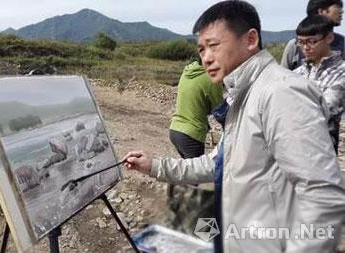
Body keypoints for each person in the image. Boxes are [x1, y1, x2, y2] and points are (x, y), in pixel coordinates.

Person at [123, 1, 345, 252]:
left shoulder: (280, 92)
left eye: (214, 45)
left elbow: (322, 196)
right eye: (201, 49)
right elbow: (216, 164)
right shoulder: (242, 97)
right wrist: (154, 165)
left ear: (250, 40)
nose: (206, 57)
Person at [167, 60, 223, 233]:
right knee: (194, 181)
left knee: (186, 173)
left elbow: (195, 100)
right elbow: (221, 109)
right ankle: (199, 228)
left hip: (175, 130)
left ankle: (174, 208)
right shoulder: (209, 78)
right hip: (191, 135)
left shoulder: (188, 71)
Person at [293, 15, 345, 153]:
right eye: (300, 42)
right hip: (295, 148)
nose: (305, 48)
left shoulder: (341, 73)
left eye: (311, 41)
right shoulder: (297, 73)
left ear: (329, 38)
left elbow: (324, 109)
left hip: (326, 151)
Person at [281, 0, 344, 70]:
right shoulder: (294, 46)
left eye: (312, 41)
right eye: (338, 7)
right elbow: (283, 76)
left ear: (329, 38)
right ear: (321, 11)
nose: (341, 11)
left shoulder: (342, 43)